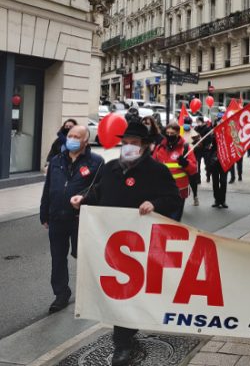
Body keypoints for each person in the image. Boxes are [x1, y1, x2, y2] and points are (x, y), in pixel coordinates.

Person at [69, 121, 182, 366]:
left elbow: (173, 199)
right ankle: (123, 340)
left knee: (133, 293)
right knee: (120, 293)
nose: (128, 147)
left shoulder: (157, 171)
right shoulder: (110, 169)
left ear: (145, 146)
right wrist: (83, 199)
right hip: (111, 245)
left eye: (134, 143)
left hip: (142, 246)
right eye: (126, 143)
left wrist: (155, 204)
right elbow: (98, 193)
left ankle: (124, 337)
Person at [40, 125, 103, 313]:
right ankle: (61, 294)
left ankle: (94, 290)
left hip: (80, 219)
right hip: (56, 217)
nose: (72, 139)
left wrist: (86, 201)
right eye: (70, 135)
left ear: (85, 141)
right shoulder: (57, 160)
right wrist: (44, 212)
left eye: (77, 136)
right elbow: (48, 188)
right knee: (58, 258)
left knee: (82, 255)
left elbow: (101, 190)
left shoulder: (96, 162)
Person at [152, 123, 198, 220]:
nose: (169, 135)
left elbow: (194, 169)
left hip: (180, 191)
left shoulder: (185, 148)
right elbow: (153, 166)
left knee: (175, 220)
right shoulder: (159, 148)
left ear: (177, 133)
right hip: (162, 190)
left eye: (172, 133)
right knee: (162, 219)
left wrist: (186, 164)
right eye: (167, 133)